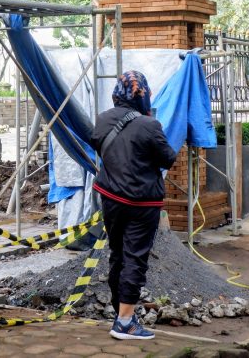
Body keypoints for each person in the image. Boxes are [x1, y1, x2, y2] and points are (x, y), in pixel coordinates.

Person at [90, 70, 177, 340]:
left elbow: (96, 143)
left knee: (117, 255)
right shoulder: (149, 125)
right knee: (135, 258)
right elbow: (168, 159)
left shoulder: (103, 119)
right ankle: (125, 323)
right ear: (144, 94)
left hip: (111, 199)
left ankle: (121, 312)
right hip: (141, 203)